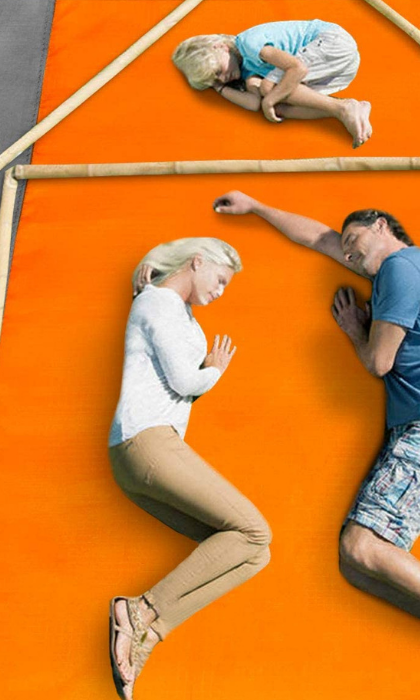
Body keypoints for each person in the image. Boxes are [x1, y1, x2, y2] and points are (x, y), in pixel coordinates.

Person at [210, 192, 420, 700]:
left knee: (362, 546)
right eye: (345, 250)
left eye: (354, 242)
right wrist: (257, 207)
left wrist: (354, 331)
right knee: (358, 566)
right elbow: (317, 235)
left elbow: (379, 362)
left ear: (382, 225)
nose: (347, 255)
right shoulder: (390, 273)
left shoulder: (404, 268)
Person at [107, 238, 271, 700]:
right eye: (220, 279)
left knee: (253, 554)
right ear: (197, 262)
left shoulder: (169, 309)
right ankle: (141, 609)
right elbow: (185, 380)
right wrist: (214, 369)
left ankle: (148, 635)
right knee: (255, 532)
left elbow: (175, 374)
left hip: (149, 447)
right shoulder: (159, 303)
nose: (222, 290)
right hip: (148, 441)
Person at [171, 19, 374, 148]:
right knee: (278, 105)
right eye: (215, 80)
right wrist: (219, 88)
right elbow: (253, 103)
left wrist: (269, 101)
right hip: (336, 68)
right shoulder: (247, 71)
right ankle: (345, 109)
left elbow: (297, 69)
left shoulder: (250, 44)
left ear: (221, 47)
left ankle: (343, 108)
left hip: (331, 42)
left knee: (270, 91)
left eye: (218, 72)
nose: (223, 77)